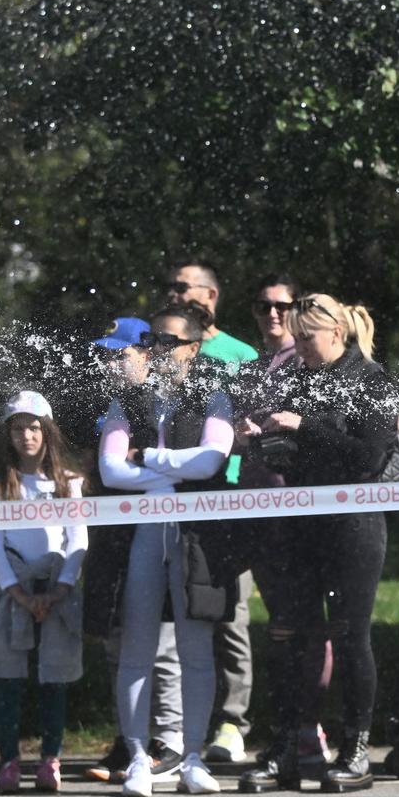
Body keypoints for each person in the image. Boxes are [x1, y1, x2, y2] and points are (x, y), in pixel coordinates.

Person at [257, 293, 399, 793]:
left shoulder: (371, 380)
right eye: (295, 339)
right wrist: (264, 439)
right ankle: (286, 749)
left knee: (349, 635)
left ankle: (356, 749)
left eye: (306, 337)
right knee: (293, 635)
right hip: (301, 524)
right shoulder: (298, 379)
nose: (299, 347)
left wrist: (306, 426)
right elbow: (289, 459)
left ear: (336, 333)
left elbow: (369, 458)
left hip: (353, 528)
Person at [97, 305, 234, 797]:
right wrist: (174, 472)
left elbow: (212, 462)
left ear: (194, 349)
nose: (159, 349)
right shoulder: (128, 400)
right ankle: (138, 757)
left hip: (195, 539)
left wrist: (151, 459)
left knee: (196, 649)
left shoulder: (214, 398)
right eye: (153, 340)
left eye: (170, 341)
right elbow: (111, 471)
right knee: (137, 647)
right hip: (141, 536)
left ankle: (193, 757)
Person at [234, 274, 335, 792]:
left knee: (310, 627)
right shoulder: (249, 371)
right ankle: (289, 739)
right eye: (264, 305)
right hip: (261, 513)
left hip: (306, 513)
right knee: (282, 628)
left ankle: (305, 735)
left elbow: (325, 436)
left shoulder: (314, 366)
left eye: (284, 305)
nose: (274, 314)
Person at [163, 259, 259, 766]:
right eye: (170, 288)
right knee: (173, 616)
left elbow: (250, 426)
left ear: (212, 294)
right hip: (170, 497)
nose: (175, 294)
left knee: (229, 613)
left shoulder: (241, 354)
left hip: (230, 496)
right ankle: (170, 728)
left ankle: (232, 721)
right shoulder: (160, 344)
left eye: (183, 287)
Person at [0, 391, 86, 793]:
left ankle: (50, 758)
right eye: (18, 428)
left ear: (48, 432)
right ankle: (8, 760)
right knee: (8, 678)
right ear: (8, 434)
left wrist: (59, 589)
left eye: (34, 427)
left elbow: (78, 539)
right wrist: (19, 594)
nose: (27, 436)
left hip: (56, 591)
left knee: (52, 677)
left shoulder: (68, 484)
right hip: (13, 592)